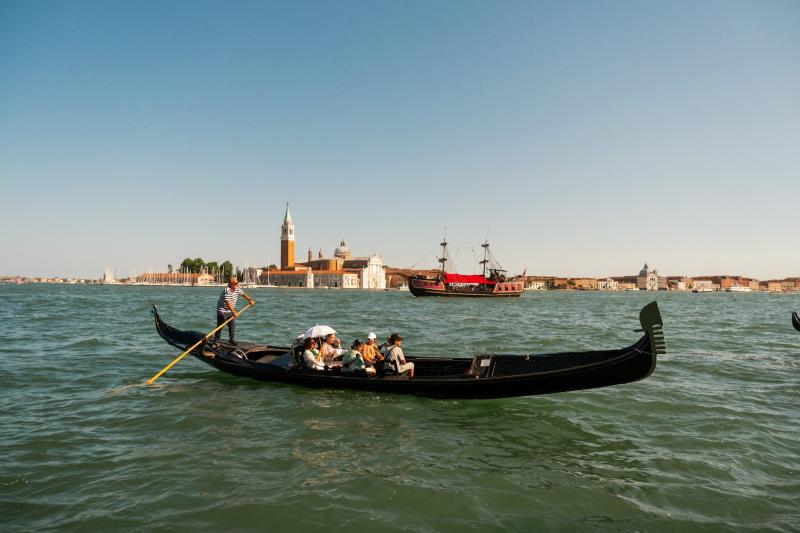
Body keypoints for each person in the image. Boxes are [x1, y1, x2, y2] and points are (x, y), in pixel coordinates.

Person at [214, 276, 254, 345]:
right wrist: (234, 312)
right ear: (230, 284)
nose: (237, 284)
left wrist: (249, 300)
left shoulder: (237, 289)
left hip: (230, 310)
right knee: (220, 326)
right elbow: (227, 303)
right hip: (222, 310)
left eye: (237, 283)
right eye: (235, 283)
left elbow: (243, 294)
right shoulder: (227, 290)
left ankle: (231, 340)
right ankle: (216, 340)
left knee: (232, 325)